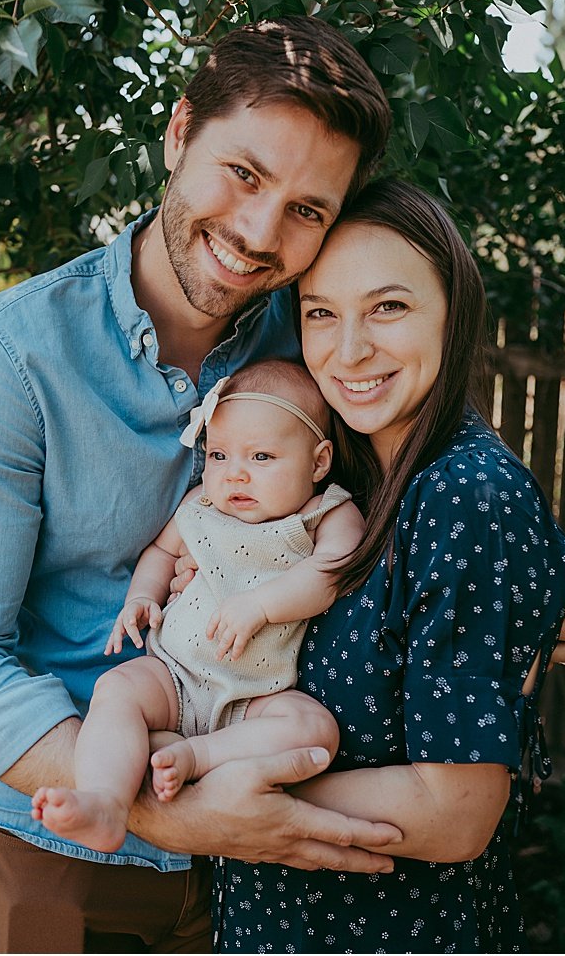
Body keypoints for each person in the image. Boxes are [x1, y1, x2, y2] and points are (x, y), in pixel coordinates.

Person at [0, 15, 404, 953]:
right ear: (178, 134)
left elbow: (432, 464)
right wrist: (167, 813)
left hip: (259, 851)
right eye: (244, 174)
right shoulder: (10, 360)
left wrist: (542, 587)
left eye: (307, 210)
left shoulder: (320, 348)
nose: (260, 233)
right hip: (50, 849)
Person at [214, 178, 565, 952]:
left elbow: (456, 810)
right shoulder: (344, 473)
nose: (349, 350)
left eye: (388, 307)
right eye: (321, 313)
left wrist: (230, 797)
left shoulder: (462, 496)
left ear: (453, 309)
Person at [34, 360, 361, 854]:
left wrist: (261, 605)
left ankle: (194, 755)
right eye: (220, 455)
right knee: (117, 690)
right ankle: (104, 802)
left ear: (318, 462)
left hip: (255, 699)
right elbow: (162, 553)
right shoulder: (200, 507)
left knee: (314, 729)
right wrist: (142, 596)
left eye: (262, 456)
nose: (236, 476)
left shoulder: (325, 513)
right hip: (175, 676)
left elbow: (334, 571)